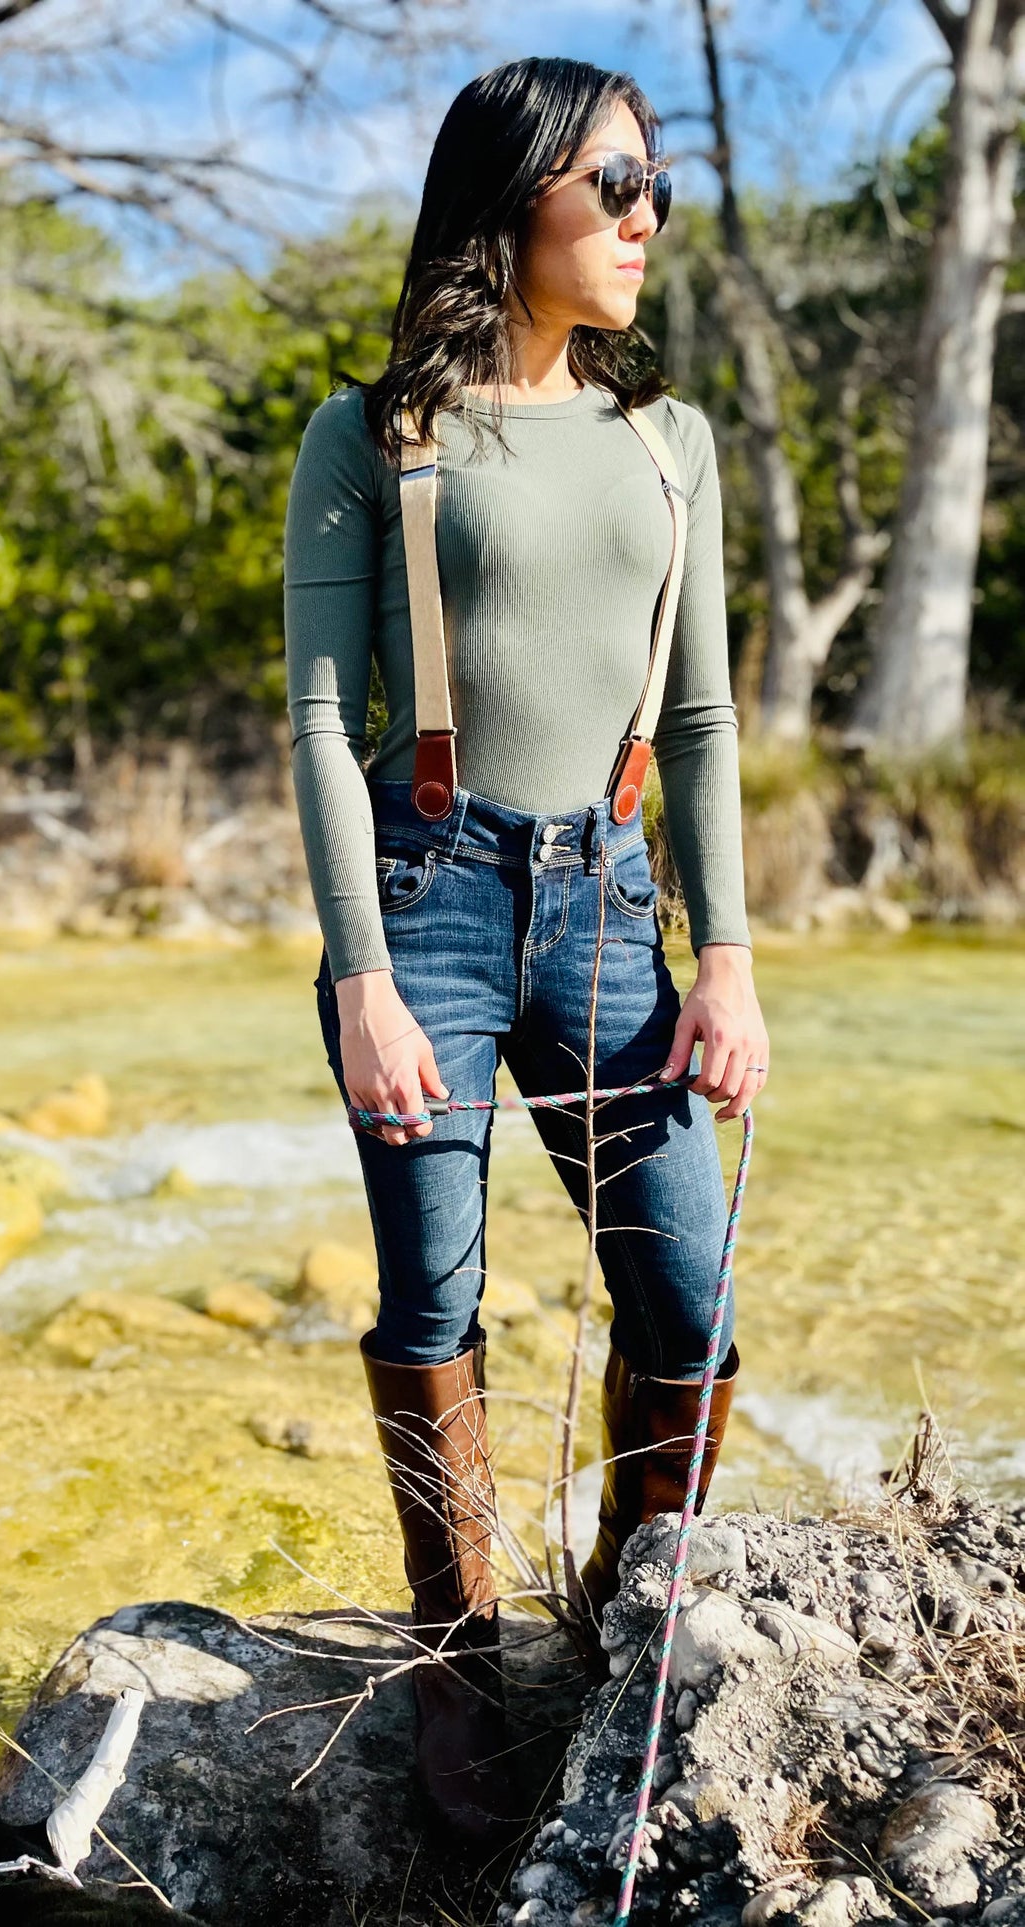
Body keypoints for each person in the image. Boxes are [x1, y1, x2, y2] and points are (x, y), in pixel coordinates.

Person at [282, 55, 770, 1845]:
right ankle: (455, 1666)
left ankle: (636, 1630)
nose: (644, 218)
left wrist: (724, 959)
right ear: (512, 206)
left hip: (611, 909)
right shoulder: (372, 436)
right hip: (422, 906)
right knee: (430, 1300)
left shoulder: (668, 440)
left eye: (652, 188)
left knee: (691, 1294)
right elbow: (328, 718)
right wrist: (360, 978)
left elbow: (704, 720)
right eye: (613, 186)